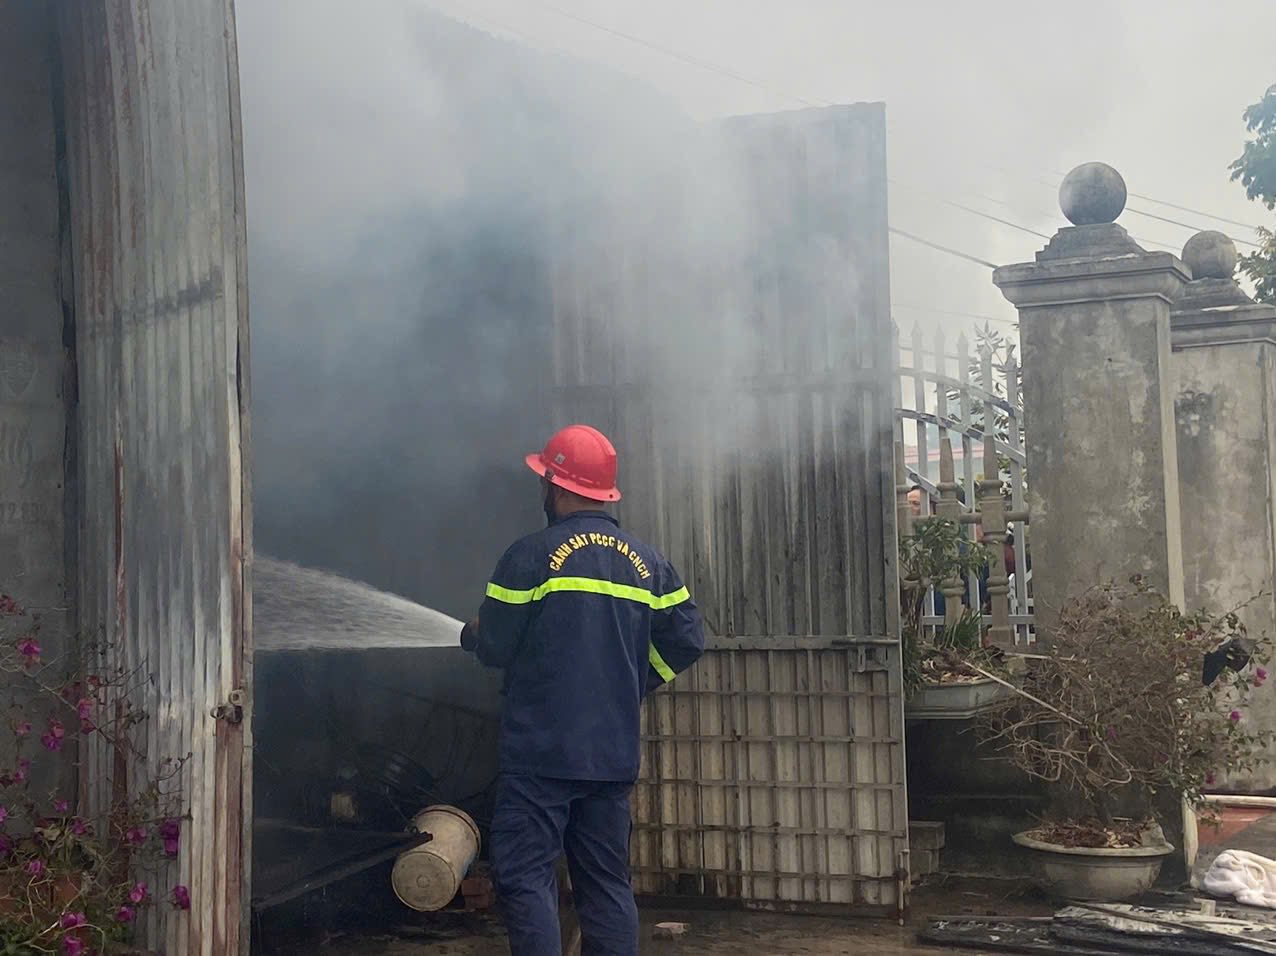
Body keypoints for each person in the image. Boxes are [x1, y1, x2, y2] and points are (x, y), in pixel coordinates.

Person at [461, 424, 705, 956]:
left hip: (541, 756)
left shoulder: (529, 556)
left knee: (525, 877)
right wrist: (632, 682)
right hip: (610, 757)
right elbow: (688, 639)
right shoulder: (649, 563)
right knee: (605, 885)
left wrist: (474, 635)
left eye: (545, 481)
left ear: (558, 485)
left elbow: (497, 645)